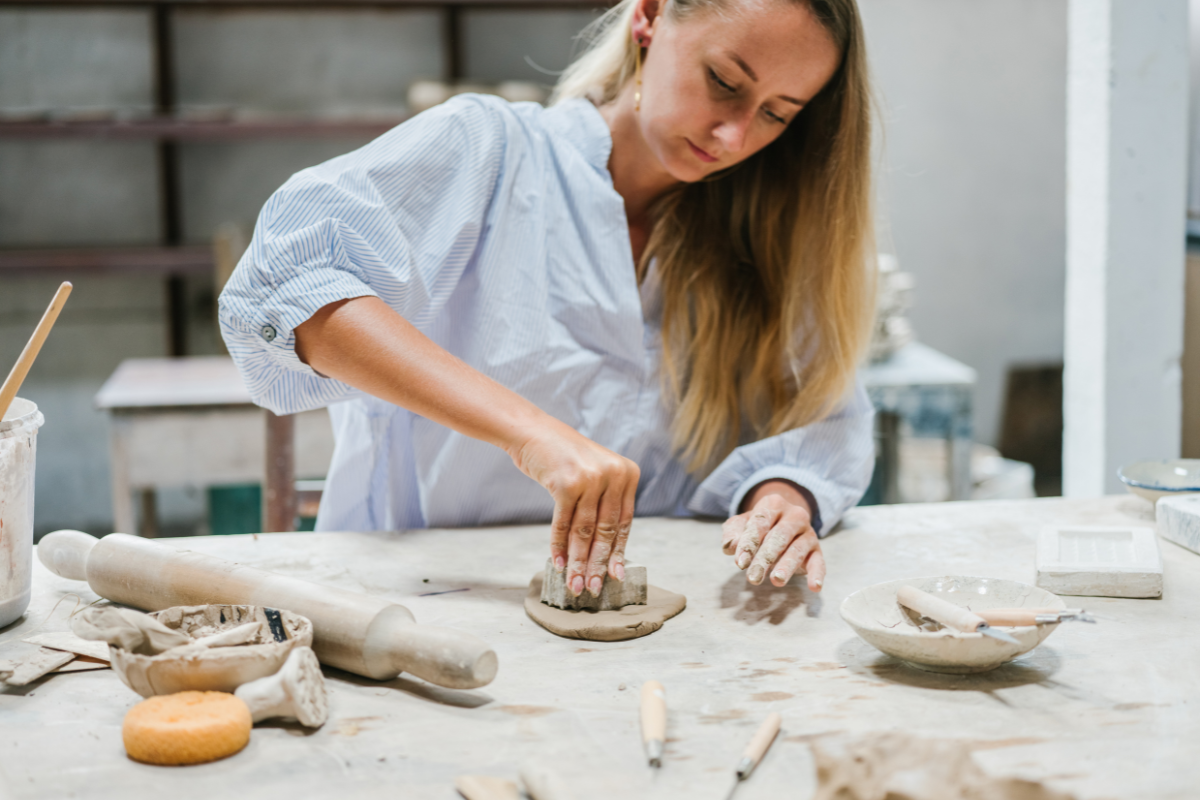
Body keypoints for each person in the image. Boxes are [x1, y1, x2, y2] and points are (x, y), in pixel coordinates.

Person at [219, 0, 876, 602]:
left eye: (776, 114)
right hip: (423, 604)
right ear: (648, 18)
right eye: (725, 83)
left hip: (651, 628)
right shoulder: (488, 152)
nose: (734, 137)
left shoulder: (764, 234)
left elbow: (824, 416)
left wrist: (782, 493)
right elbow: (286, 288)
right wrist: (531, 434)